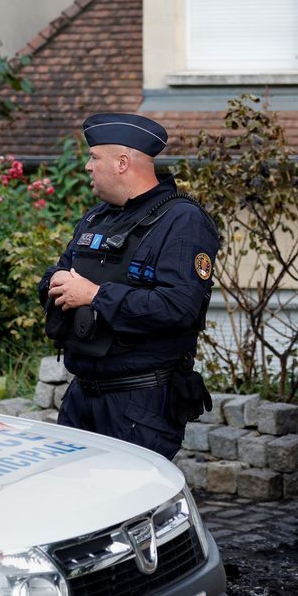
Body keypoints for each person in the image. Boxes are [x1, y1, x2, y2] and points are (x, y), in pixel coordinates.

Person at [41, 113, 218, 459]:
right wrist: (56, 282)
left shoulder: (181, 221)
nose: (88, 166)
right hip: (82, 399)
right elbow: (57, 275)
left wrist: (94, 295)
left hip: (139, 407)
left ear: (122, 163)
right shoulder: (98, 217)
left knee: (125, 509)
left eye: (94, 157)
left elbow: (179, 306)